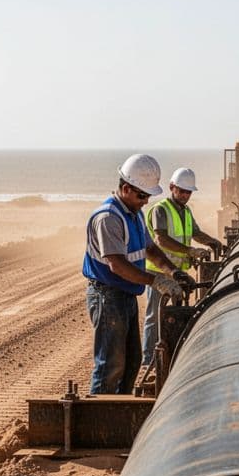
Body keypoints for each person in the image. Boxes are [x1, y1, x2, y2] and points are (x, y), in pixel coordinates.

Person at [82, 154, 189, 394]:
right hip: (107, 297)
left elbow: (150, 249)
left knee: (131, 363)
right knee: (111, 365)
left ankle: (118, 411)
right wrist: (156, 280)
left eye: (148, 195)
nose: (146, 200)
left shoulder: (135, 214)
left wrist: (173, 272)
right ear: (126, 188)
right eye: (142, 195)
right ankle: (101, 417)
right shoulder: (109, 217)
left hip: (125, 295)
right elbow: (117, 265)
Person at [141, 167, 224, 366]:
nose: (186, 195)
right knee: (156, 315)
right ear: (172, 187)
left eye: (189, 192)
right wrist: (191, 251)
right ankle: (149, 361)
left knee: (174, 315)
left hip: (177, 272)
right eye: (182, 191)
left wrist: (213, 242)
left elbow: (196, 232)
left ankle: (170, 355)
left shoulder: (185, 211)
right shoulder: (161, 209)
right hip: (159, 271)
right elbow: (161, 240)